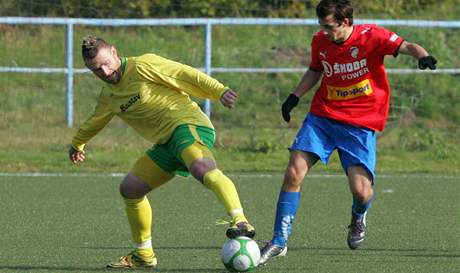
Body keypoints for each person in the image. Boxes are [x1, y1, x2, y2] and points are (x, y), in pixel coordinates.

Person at [259, 0, 437, 265]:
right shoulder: (320, 41)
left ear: (345, 22)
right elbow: (315, 70)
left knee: (361, 192)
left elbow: (407, 46)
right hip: (323, 117)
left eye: (329, 27)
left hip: (360, 123)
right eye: (322, 26)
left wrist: (422, 55)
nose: (325, 32)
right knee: (293, 171)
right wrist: (294, 97)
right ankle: (279, 241)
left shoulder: (372, 36)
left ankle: (358, 217)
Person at [68, 36, 255, 269]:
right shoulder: (109, 95)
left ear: (115, 52)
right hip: (166, 144)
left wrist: (218, 91)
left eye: (106, 63)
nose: (105, 71)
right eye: (96, 69)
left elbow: (184, 74)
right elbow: (95, 120)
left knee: (201, 168)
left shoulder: (143, 65)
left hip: (187, 126)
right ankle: (144, 254)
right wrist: (78, 144)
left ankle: (241, 221)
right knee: (130, 189)